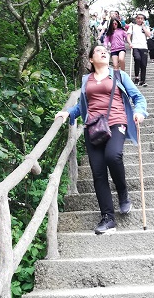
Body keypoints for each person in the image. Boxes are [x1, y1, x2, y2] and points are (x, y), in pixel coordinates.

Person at [55, 45, 148, 235]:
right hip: (93, 127)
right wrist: (67, 113)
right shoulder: (86, 80)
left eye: (105, 50)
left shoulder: (119, 75)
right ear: (90, 59)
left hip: (116, 121)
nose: (103, 52)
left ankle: (122, 193)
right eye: (98, 50)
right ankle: (108, 218)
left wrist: (139, 112)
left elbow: (138, 97)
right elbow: (82, 106)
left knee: (113, 156)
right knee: (98, 173)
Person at [126, 13, 151, 86]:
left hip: (144, 47)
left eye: (141, 18)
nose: (140, 20)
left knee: (143, 64)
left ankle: (143, 80)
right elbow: (128, 36)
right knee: (137, 59)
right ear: (136, 19)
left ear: (143, 20)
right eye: (138, 18)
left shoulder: (146, 27)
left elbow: (149, 35)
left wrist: (143, 27)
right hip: (135, 46)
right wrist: (130, 43)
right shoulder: (132, 27)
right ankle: (136, 77)